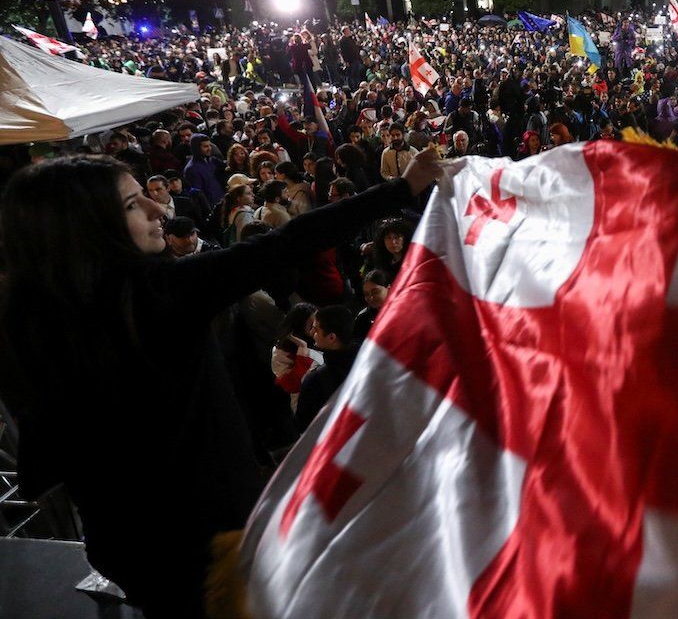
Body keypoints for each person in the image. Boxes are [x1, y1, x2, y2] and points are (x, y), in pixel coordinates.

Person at [0, 149, 440, 617]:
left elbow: (40, 466)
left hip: (128, 552)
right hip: (215, 548)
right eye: (132, 205)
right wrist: (400, 188)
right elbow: (287, 242)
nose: (158, 211)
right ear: (85, 227)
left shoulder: (25, 323)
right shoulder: (162, 294)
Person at [292, 306, 358, 432]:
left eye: (316, 329)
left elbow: (304, 424)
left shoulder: (315, 380)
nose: (311, 333)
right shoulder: (370, 355)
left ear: (331, 338)